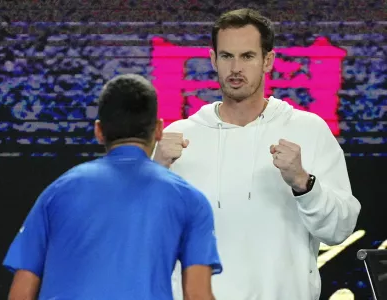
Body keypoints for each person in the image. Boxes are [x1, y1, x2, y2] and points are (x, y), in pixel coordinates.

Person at [153, 8, 361, 300]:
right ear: (213, 59)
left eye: (247, 56)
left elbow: (340, 229)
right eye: (227, 56)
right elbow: (144, 238)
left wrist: (304, 183)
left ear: (268, 60)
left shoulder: (309, 130)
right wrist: (154, 172)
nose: (236, 68)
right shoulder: (178, 140)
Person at [3, 74, 222, 300]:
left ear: (99, 131)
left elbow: (20, 294)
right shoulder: (189, 200)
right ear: (158, 130)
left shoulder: (57, 192)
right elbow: (197, 296)